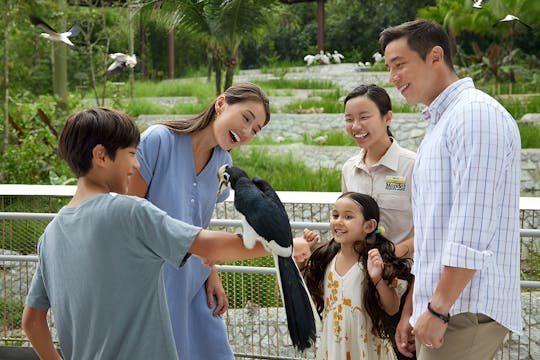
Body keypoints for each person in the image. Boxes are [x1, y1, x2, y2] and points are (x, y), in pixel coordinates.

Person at [22, 107, 270, 360]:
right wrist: (282, 247)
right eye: (131, 153)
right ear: (101, 156)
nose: (137, 164)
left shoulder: (50, 235)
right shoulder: (130, 213)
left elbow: (32, 321)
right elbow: (208, 246)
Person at [380, 19, 522, 360]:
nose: (392, 77)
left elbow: (471, 229)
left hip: (461, 309)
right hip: (445, 306)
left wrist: (439, 309)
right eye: (389, 68)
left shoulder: (474, 115)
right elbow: (433, 233)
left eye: (399, 65)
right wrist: (413, 309)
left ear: (435, 56)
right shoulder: (444, 122)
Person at [127, 82, 270, 359]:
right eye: (246, 118)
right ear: (221, 104)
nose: (247, 131)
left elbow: (200, 221)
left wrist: (211, 271)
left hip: (194, 276)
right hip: (152, 277)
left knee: (214, 351)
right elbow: (128, 213)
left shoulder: (223, 164)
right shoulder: (159, 140)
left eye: (255, 130)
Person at [300, 84, 417, 359]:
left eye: (364, 117)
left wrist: (387, 257)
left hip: (397, 287)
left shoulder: (413, 166)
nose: (356, 126)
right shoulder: (349, 169)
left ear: (388, 118)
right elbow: (346, 223)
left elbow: (430, 231)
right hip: (355, 287)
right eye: (349, 119)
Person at [303, 192, 412, 360]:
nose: (338, 221)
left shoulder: (376, 263)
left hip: (367, 351)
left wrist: (377, 279)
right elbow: (307, 295)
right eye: (335, 215)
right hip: (333, 350)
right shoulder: (325, 260)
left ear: (368, 226)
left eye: (348, 217)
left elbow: (392, 308)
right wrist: (302, 258)